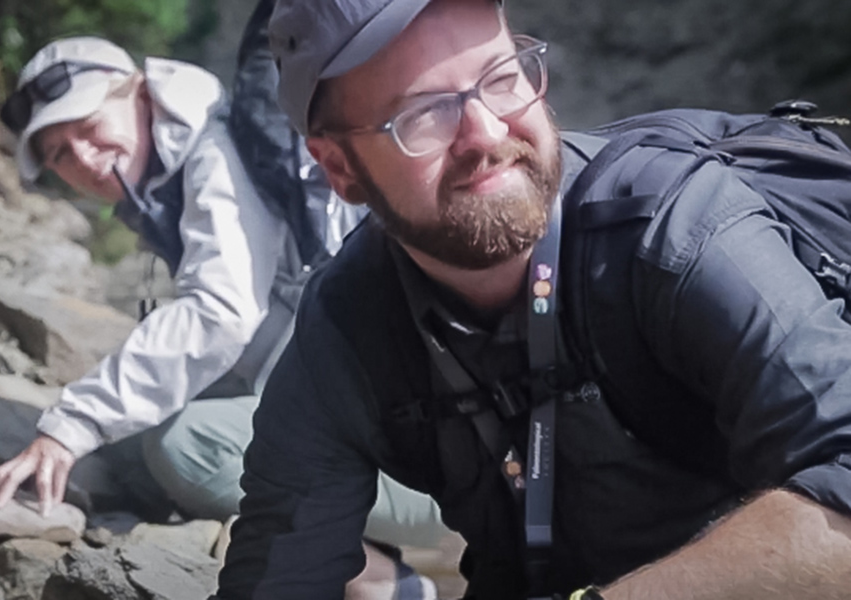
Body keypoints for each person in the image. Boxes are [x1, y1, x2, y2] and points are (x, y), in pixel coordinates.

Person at [212, 0, 851, 598]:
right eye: (422, 113)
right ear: (340, 170)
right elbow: (278, 575)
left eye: (500, 76)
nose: (486, 133)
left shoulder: (677, 233)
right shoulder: (347, 330)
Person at [0, 35, 447, 596]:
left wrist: (69, 425)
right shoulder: (170, 178)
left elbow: (220, 311)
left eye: (86, 125)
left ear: (139, 89)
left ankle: (385, 582)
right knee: (139, 447)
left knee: (185, 446)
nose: (82, 157)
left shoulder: (217, 150)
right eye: (59, 152)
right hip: (386, 427)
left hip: (436, 467)